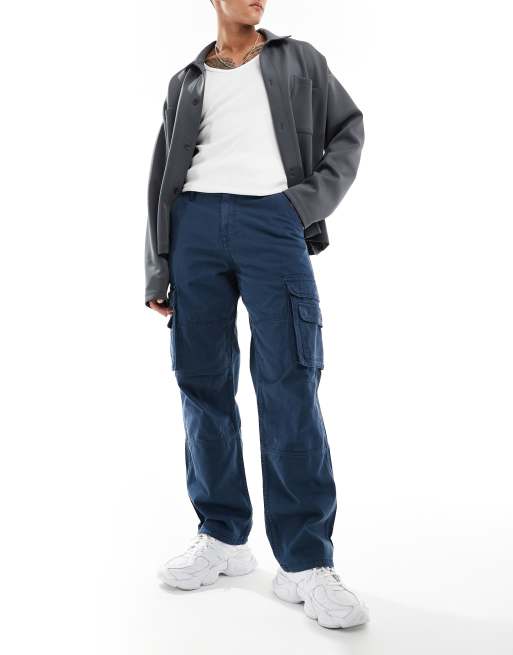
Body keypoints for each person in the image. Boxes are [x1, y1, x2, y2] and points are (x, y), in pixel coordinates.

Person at [145, 0, 368, 629]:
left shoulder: (299, 60)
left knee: (289, 380)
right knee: (202, 383)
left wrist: (302, 205)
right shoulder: (187, 80)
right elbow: (161, 176)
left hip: (273, 221)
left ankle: (306, 560)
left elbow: (349, 129)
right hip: (194, 226)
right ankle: (221, 535)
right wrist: (159, 266)